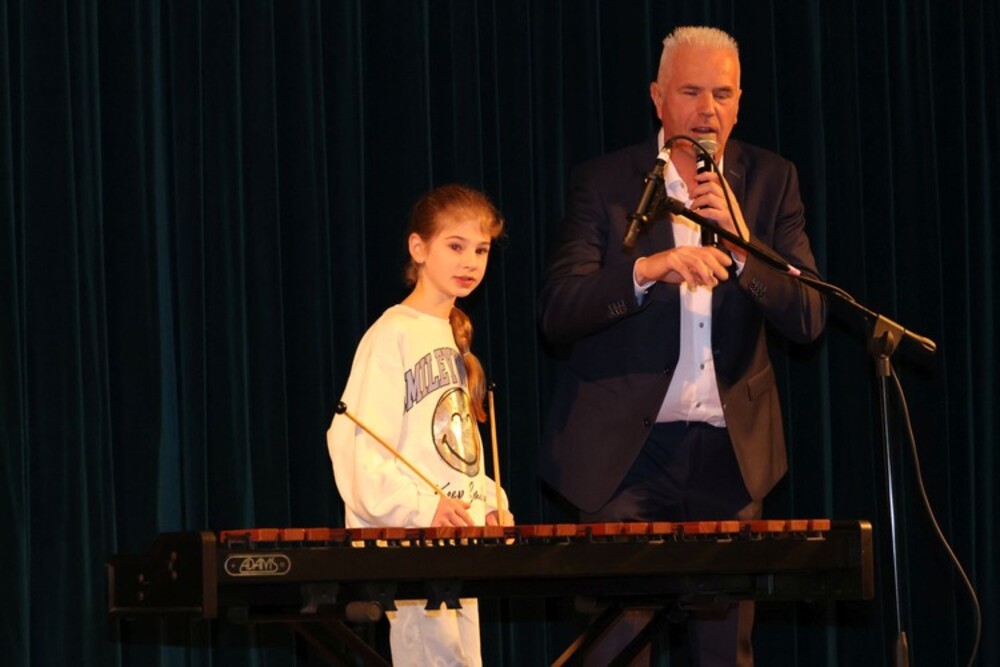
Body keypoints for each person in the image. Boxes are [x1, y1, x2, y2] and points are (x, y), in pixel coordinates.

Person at [537, 25, 826, 666]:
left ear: (740, 101)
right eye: (691, 92)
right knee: (615, 647)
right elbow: (558, 311)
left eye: (722, 94)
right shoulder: (605, 182)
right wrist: (645, 271)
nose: (707, 109)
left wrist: (743, 246)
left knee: (725, 652)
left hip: (729, 459)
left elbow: (808, 317)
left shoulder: (770, 181)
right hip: (625, 458)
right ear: (658, 98)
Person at [327, 184, 512, 667]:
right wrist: (422, 507)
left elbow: (455, 453)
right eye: (456, 246)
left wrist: (490, 501)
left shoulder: (453, 337)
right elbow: (357, 447)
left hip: (459, 541)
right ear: (418, 248)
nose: (470, 262)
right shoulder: (391, 334)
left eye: (481, 250)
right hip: (413, 542)